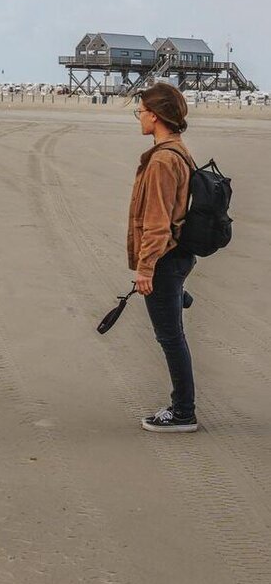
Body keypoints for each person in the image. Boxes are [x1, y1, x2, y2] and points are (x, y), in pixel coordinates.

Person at [128, 82, 198, 432]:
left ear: (154, 116)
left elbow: (157, 222)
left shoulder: (163, 160)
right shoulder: (179, 151)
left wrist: (145, 269)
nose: (138, 117)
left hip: (165, 259)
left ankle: (183, 412)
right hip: (177, 255)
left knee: (170, 338)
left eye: (140, 111)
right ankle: (178, 295)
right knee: (172, 332)